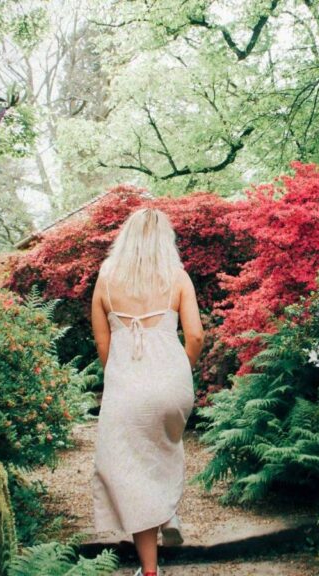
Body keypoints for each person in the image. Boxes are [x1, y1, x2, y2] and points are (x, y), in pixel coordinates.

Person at [90, 207, 204, 576]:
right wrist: (179, 369)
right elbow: (197, 336)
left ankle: (150, 569)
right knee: (161, 453)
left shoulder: (106, 278)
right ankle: (166, 516)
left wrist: (124, 379)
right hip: (172, 385)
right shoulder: (178, 277)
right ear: (164, 241)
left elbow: (103, 346)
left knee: (132, 473)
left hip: (127, 389)